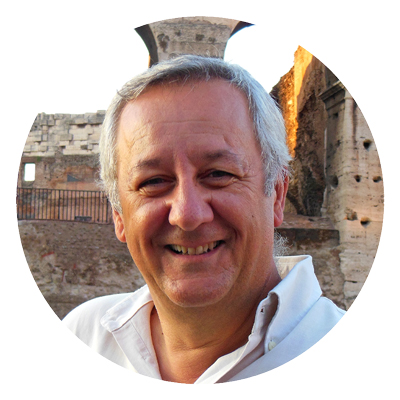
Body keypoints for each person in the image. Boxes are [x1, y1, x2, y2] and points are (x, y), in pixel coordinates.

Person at [63, 54, 345, 384]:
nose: (187, 214)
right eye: (154, 181)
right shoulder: (81, 338)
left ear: (277, 194)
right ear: (118, 213)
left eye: (218, 174)